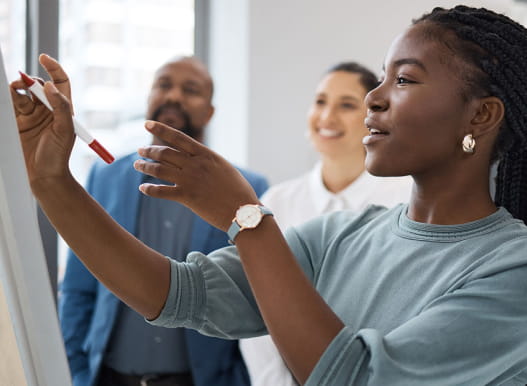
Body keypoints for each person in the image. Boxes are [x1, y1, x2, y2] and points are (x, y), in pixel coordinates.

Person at [11, 5, 527, 385]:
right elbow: (178, 294)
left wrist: (245, 217)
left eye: (405, 80)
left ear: (480, 116)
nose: (373, 98)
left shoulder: (512, 268)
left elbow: (354, 378)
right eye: (383, 78)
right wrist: (51, 181)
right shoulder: (339, 236)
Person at [57, 56, 268, 386]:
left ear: (209, 112)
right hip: (107, 377)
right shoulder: (106, 175)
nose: (173, 96)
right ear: (149, 98)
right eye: (164, 85)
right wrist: (76, 372)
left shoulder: (249, 187)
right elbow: (78, 287)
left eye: (191, 89)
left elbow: (257, 297)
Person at [239, 62, 412, 386]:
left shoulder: (406, 202)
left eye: (346, 105)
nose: (327, 116)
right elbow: (256, 309)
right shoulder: (276, 202)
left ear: (373, 115)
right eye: (320, 101)